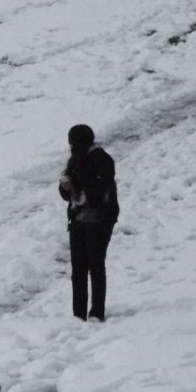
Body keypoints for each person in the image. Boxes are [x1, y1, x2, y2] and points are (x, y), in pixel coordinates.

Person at [58, 125, 119, 322]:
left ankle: (96, 312)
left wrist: (77, 184)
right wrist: (65, 187)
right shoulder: (75, 161)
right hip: (78, 219)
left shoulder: (102, 159)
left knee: (95, 264)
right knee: (78, 268)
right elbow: (68, 195)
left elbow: (101, 189)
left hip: (100, 219)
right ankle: (78, 314)